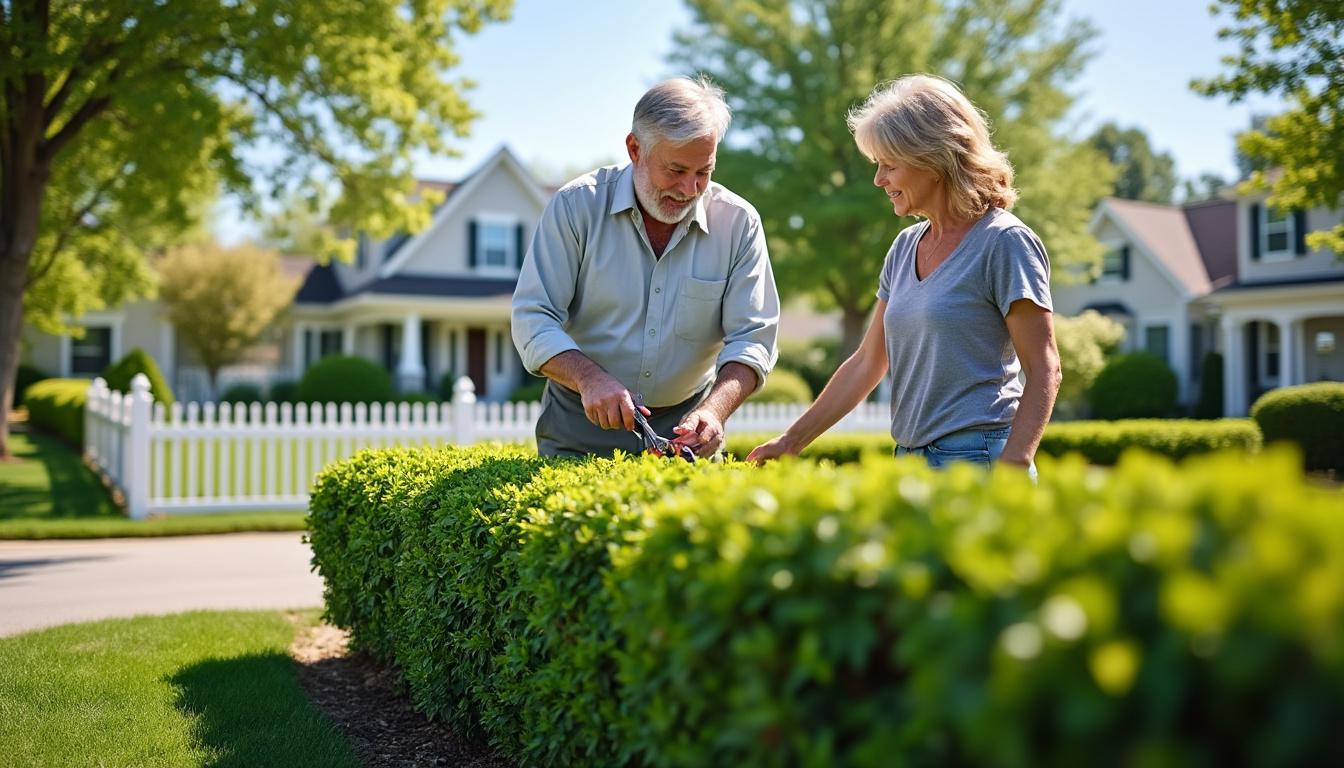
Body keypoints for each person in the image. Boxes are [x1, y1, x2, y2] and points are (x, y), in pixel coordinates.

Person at [748, 75, 1061, 475]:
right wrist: (791, 441)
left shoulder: (1004, 242)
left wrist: (1015, 463)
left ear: (933, 160)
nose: (879, 180)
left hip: (978, 460)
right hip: (909, 461)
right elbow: (867, 363)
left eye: (889, 165)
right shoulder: (904, 248)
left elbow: (1044, 366)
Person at [512, 76, 780, 458]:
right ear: (635, 149)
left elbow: (754, 338)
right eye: (675, 170)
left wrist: (715, 411)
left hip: (689, 432)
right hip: (578, 425)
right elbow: (532, 317)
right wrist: (589, 379)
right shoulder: (575, 207)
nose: (689, 189)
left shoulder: (739, 223)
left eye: (703, 172)